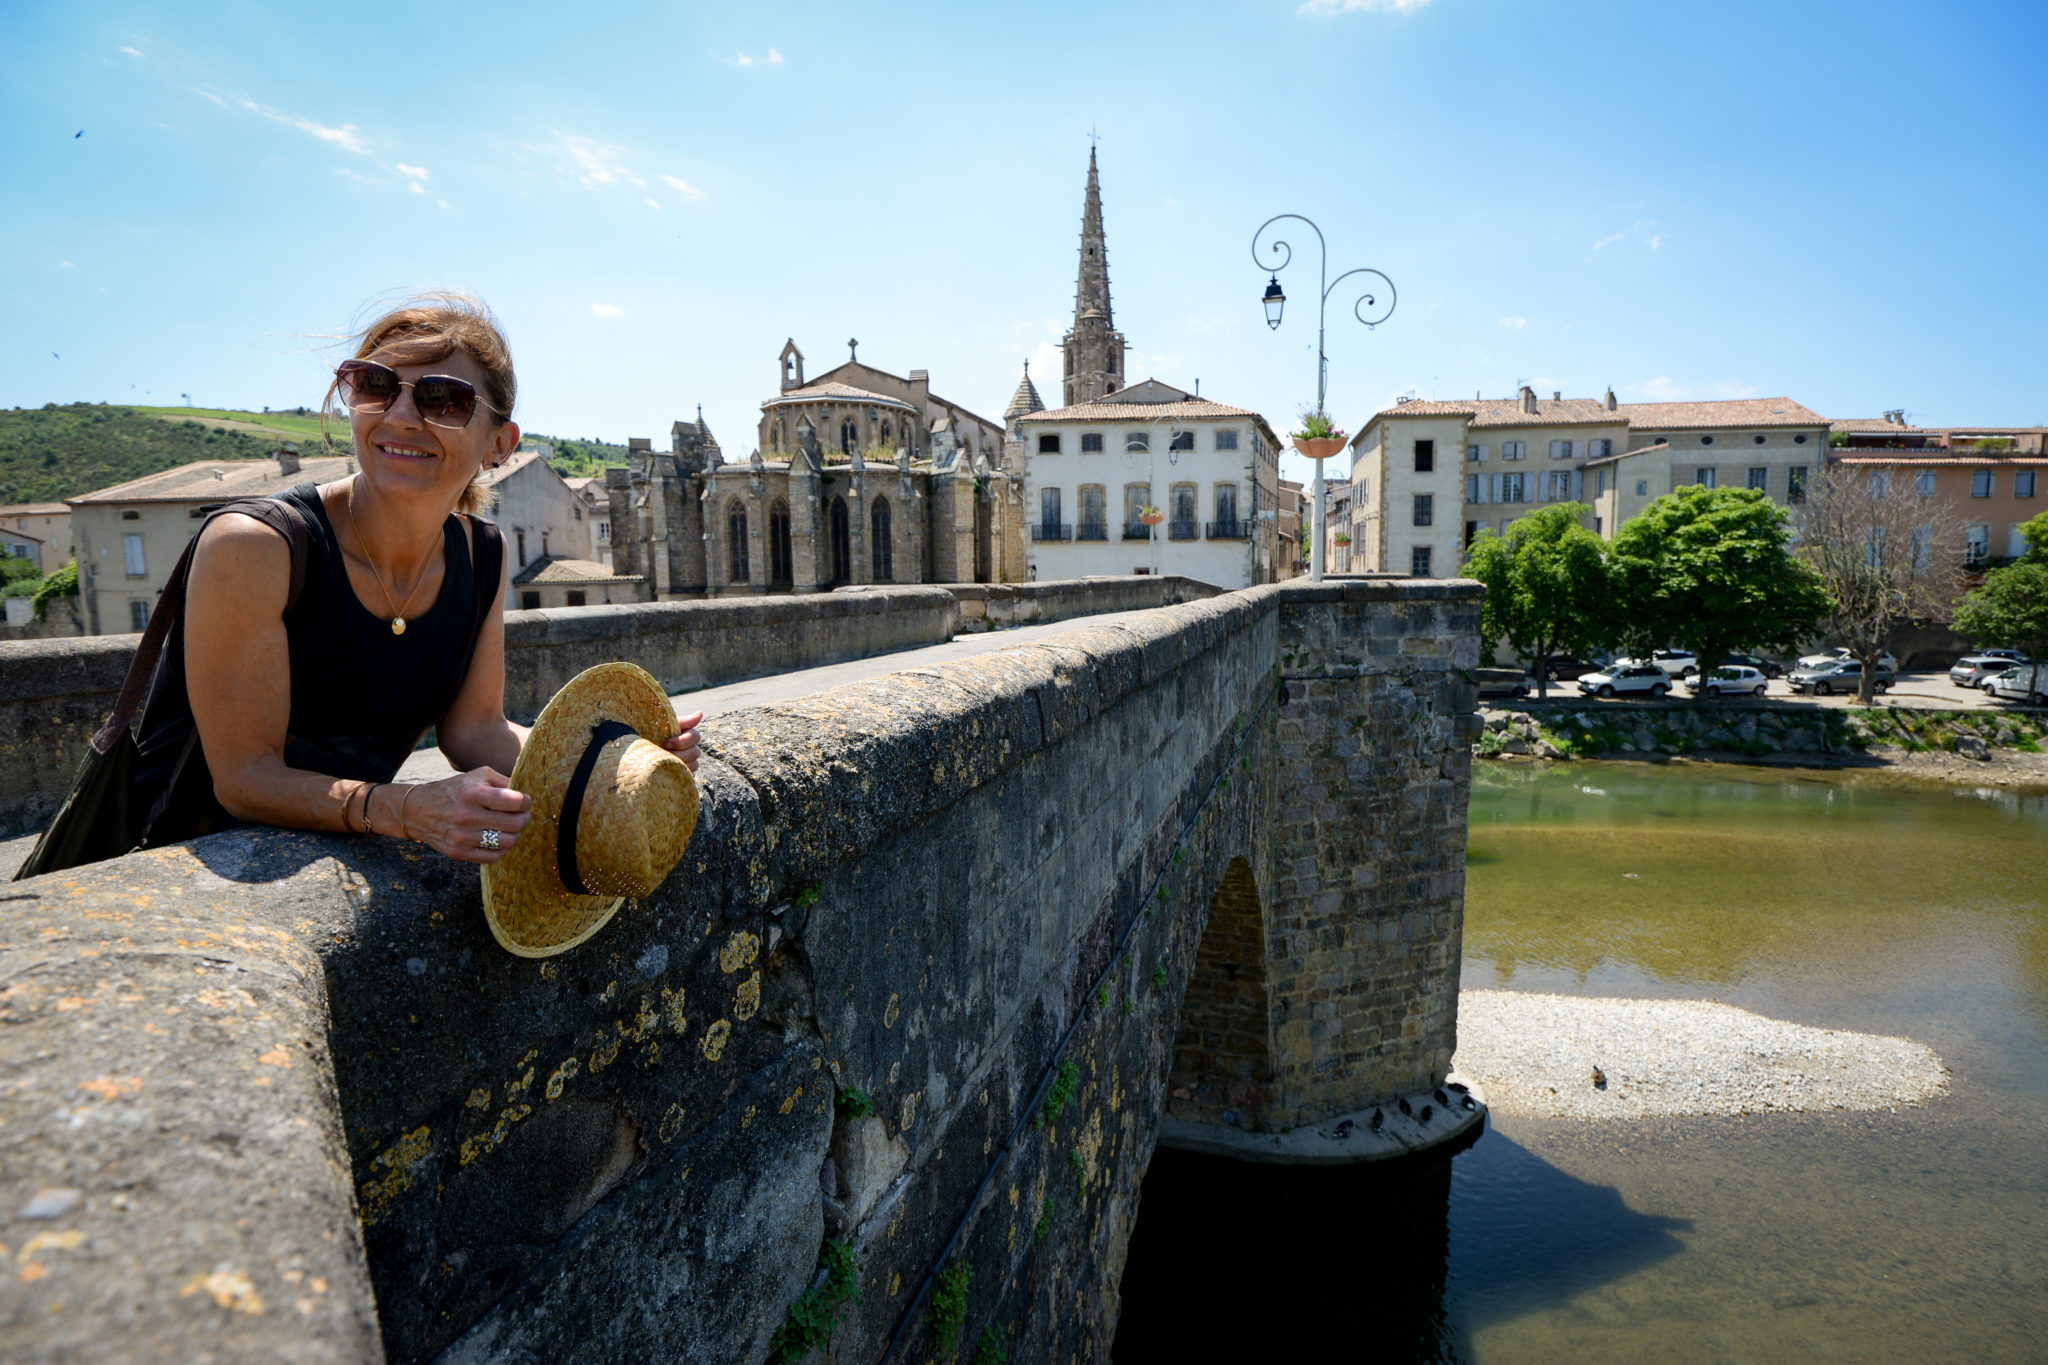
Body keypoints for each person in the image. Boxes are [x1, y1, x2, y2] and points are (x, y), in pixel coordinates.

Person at [130, 293, 701, 863]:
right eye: (375, 386)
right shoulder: (256, 545)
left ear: (499, 443)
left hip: (325, 850)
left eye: (443, 399)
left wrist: (613, 759)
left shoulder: (481, 553)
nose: (400, 416)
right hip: (170, 864)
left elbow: (475, 731)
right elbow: (246, 778)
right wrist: (405, 808)